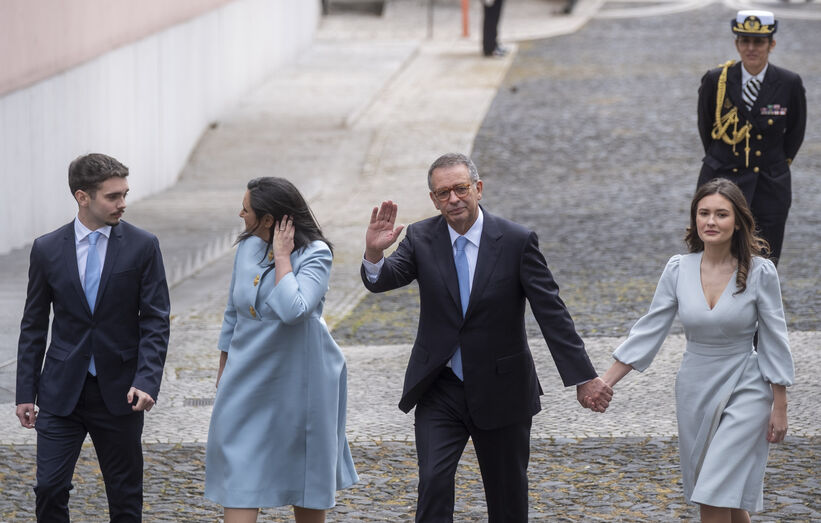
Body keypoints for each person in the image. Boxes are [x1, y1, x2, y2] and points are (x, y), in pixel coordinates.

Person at [361, 153, 612, 522]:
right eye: (443, 193)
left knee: (507, 496)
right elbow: (382, 279)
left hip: (502, 387)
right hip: (440, 387)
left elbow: (552, 313)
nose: (453, 199)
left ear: (477, 188)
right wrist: (373, 251)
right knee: (432, 482)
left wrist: (582, 377)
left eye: (460, 189)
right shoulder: (421, 237)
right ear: (433, 199)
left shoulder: (515, 240)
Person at [599, 178, 794, 522]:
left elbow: (774, 339)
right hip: (694, 389)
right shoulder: (678, 269)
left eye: (721, 214)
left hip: (747, 386)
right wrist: (606, 382)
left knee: (713, 489)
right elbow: (649, 330)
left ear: (737, 222)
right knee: (724, 495)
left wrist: (780, 404)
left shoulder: (761, 272)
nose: (711, 221)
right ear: (694, 219)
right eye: (704, 213)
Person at [15, 153, 170, 521]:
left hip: (121, 392)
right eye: (113, 196)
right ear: (82, 197)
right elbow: (34, 324)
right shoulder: (47, 248)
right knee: (49, 488)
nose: (123, 204)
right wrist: (25, 392)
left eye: (124, 194)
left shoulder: (143, 245)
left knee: (125, 495)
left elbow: (155, 320)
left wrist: (147, 380)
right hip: (60, 391)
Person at [205, 177, 358, 523]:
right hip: (245, 381)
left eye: (247, 208)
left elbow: (294, 310)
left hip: (303, 386)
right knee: (240, 476)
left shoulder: (316, 254)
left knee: (304, 480)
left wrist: (283, 257)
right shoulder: (246, 248)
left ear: (270, 219)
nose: (240, 213)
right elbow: (233, 312)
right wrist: (223, 371)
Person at [697, 10, 806, 265]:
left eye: (758, 42)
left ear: (771, 44)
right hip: (723, 179)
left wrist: (776, 163)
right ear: (736, 44)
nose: (751, 48)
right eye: (745, 41)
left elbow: (795, 133)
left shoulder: (788, 82)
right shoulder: (717, 80)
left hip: (769, 183)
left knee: (765, 258)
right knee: (716, 256)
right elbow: (707, 129)